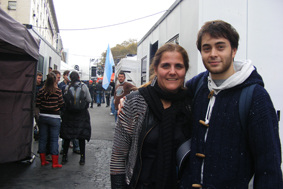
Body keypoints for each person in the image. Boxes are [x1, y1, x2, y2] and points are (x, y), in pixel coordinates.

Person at [180, 20, 283, 188]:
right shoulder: (198, 85)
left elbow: (268, 165)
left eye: (220, 47)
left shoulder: (256, 96)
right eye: (207, 48)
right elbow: (168, 93)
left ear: (233, 50)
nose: (213, 54)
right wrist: (134, 98)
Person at [110, 43, 193, 188]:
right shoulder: (134, 103)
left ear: (185, 70)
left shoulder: (191, 104)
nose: (172, 71)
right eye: (166, 66)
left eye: (178, 66)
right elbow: (118, 156)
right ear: (156, 69)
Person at [60, 71, 92, 165]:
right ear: (78, 77)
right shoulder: (83, 86)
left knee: (67, 136)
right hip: (81, 115)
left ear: (70, 78)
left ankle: (64, 157)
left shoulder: (66, 87)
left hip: (69, 115)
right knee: (81, 137)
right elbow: (89, 99)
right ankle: (82, 158)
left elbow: (63, 100)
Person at [36, 72, 64, 169]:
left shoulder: (41, 91)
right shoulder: (58, 91)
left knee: (43, 139)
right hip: (54, 117)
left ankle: (43, 161)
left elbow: (38, 103)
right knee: (54, 140)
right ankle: (55, 162)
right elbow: (61, 103)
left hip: (43, 116)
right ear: (54, 80)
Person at [58, 70, 80, 155]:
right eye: (66, 76)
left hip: (69, 110)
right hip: (68, 110)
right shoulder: (62, 86)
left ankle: (74, 147)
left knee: (70, 129)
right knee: (68, 130)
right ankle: (65, 148)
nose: (68, 77)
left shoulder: (66, 87)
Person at [34, 72, 44, 141]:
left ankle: (39, 133)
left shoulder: (42, 85)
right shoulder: (33, 85)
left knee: (39, 119)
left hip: (40, 105)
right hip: (34, 104)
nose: (39, 80)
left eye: (40, 78)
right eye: (38, 78)